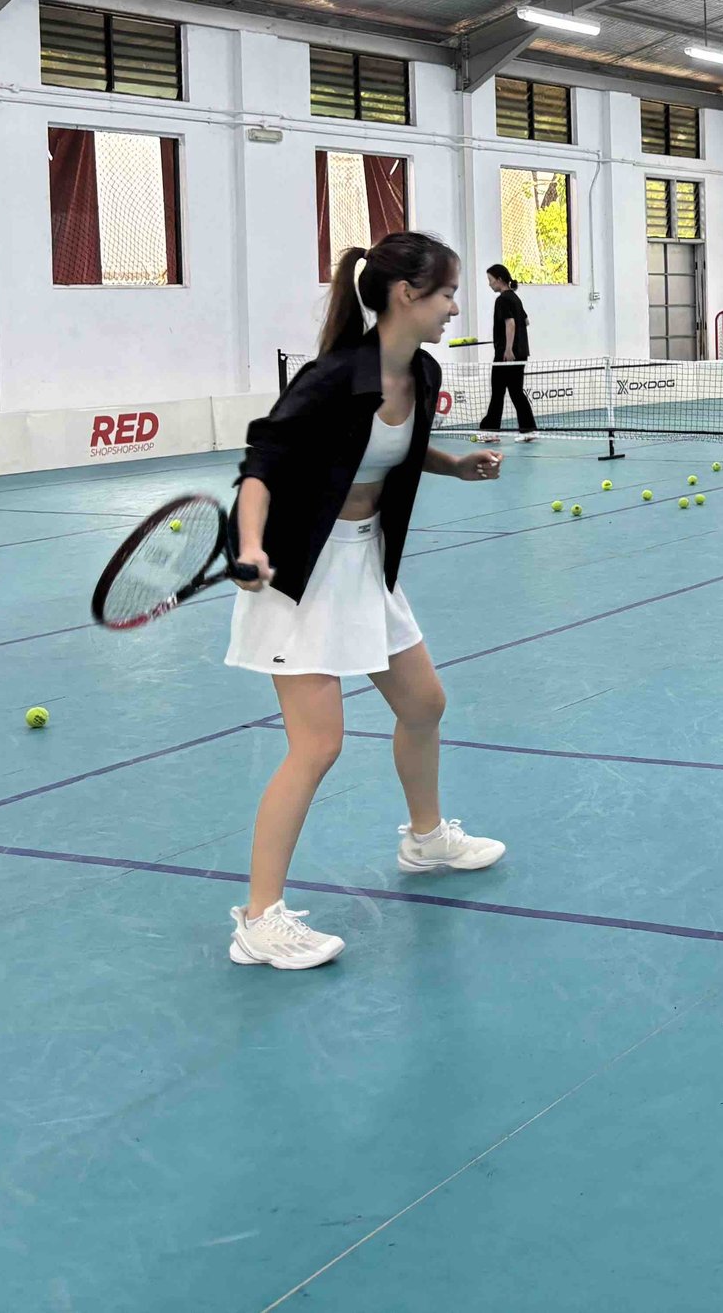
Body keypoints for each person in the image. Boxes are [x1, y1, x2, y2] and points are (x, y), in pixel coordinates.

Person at [224, 232, 508, 970]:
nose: (454, 307)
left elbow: (394, 449)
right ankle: (259, 919)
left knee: (424, 705)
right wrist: (249, 545)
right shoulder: (330, 377)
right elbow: (260, 467)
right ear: (406, 295)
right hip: (300, 577)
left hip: (367, 563)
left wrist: (455, 466)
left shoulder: (421, 367)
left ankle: (424, 838)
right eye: (446, 293)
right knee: (317, 745)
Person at [471, 262, 537, 443]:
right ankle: (528, 430)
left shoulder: (503, 300)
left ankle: (491, 431)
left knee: (498, 391)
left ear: (499, 280)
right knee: (516, 391)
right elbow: (525, 321)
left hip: (507, 354)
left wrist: (508, 348)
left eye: (491, 280)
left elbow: (511, 323)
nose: (489, 284)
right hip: (521, 352)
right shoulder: (515, 298)